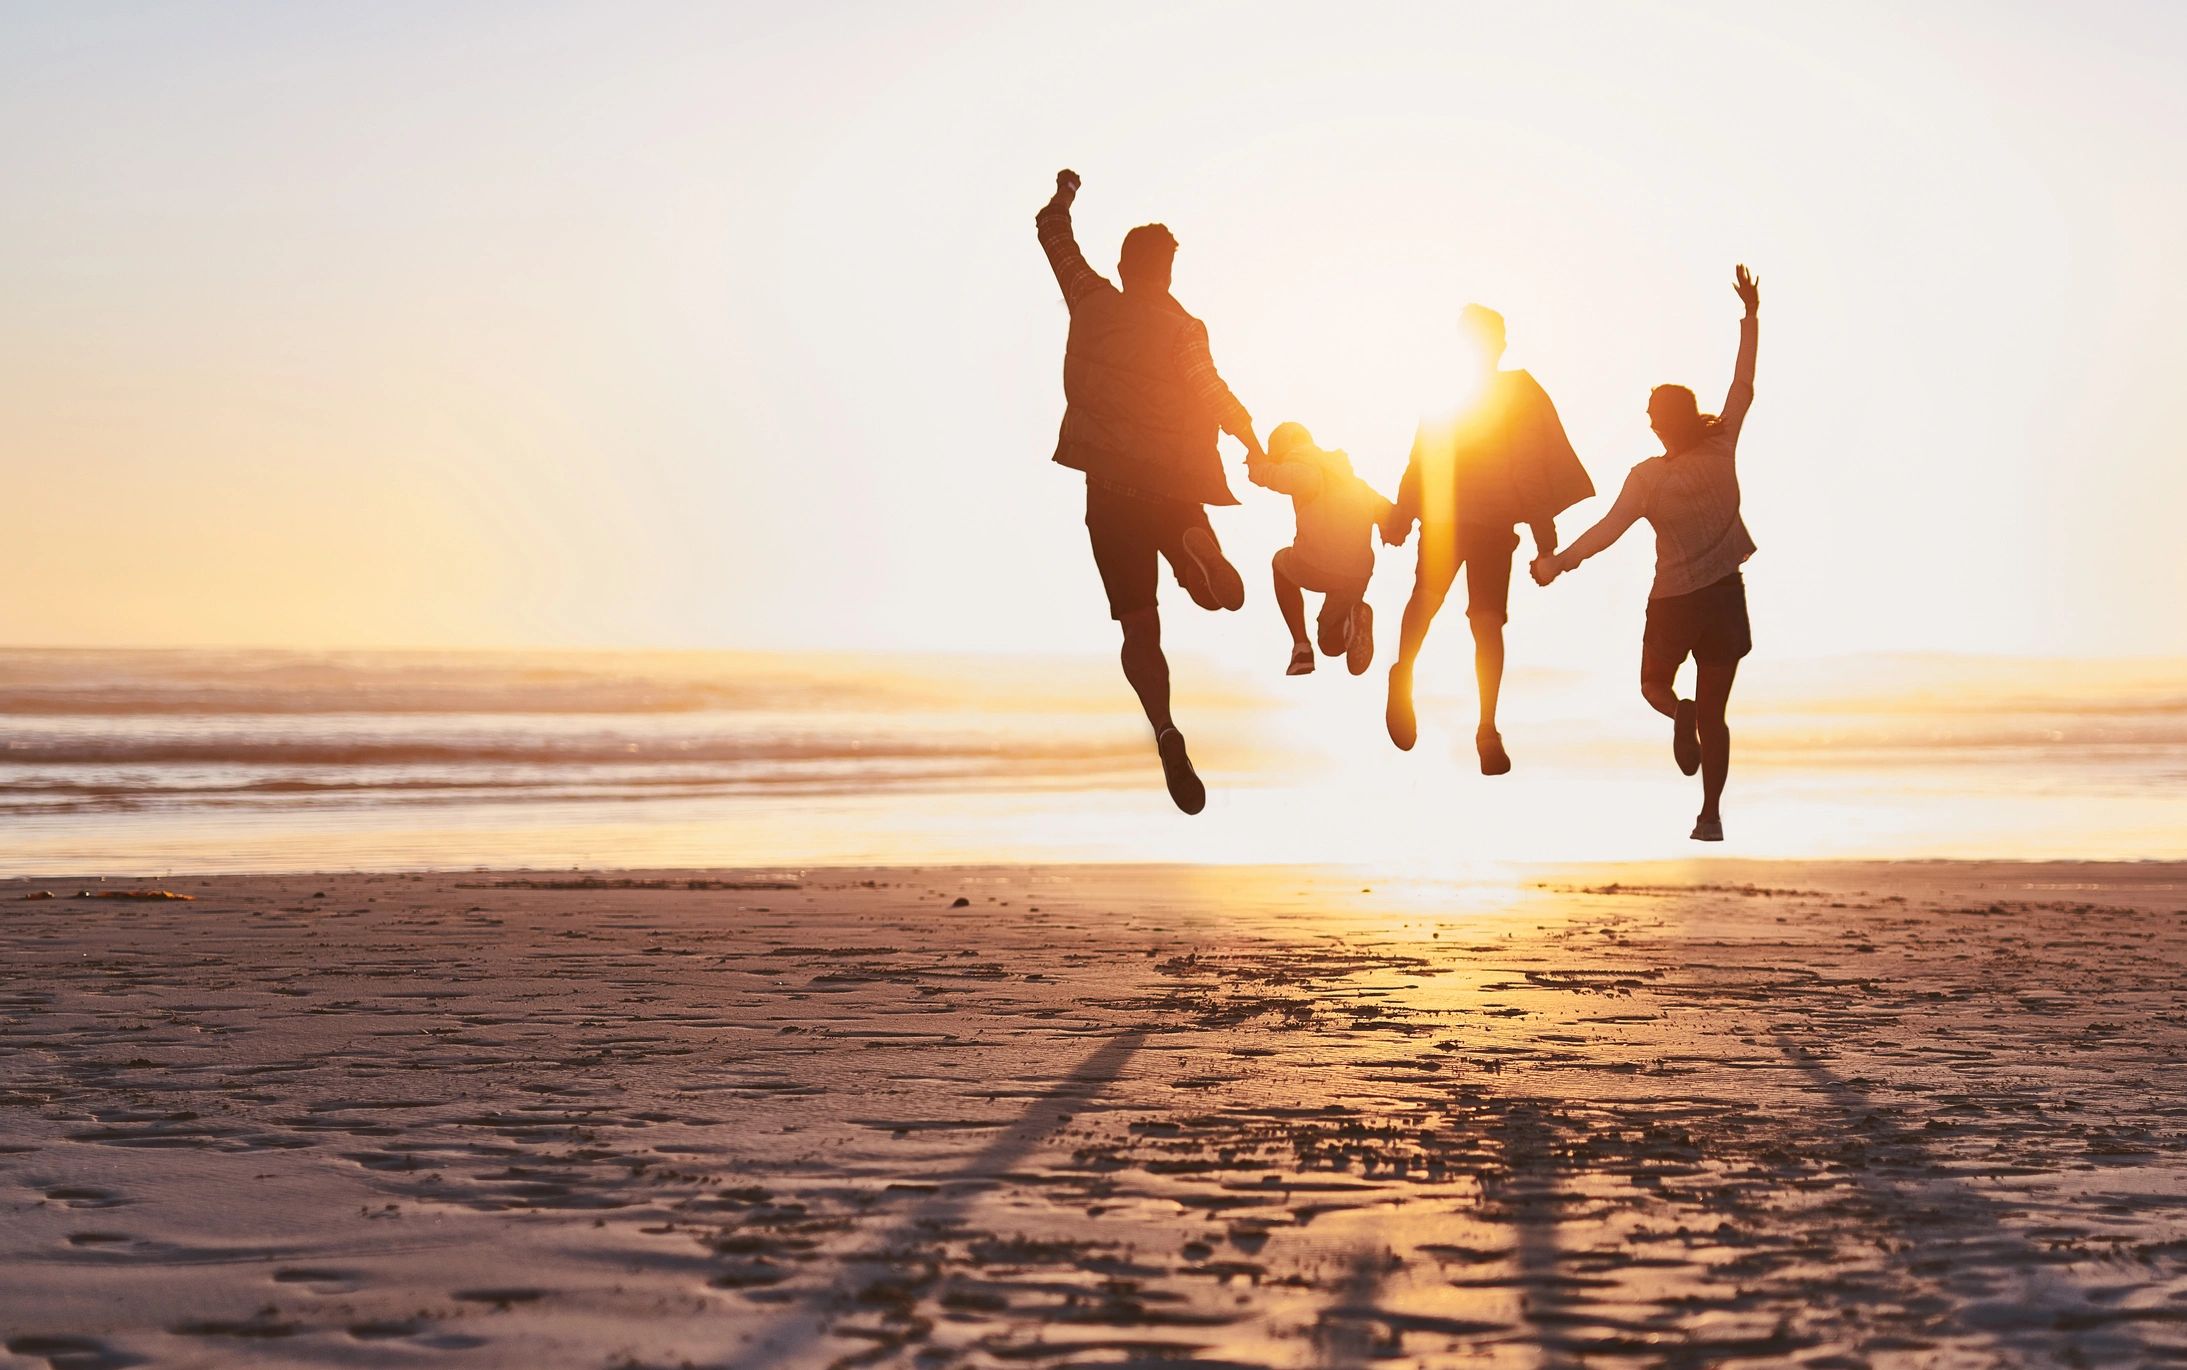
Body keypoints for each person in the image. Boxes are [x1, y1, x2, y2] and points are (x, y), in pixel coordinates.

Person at [1035, 169, 1265, 815]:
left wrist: (1065, 195)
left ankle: (1164, 729)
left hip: (1108, 490)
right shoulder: (1185, 328)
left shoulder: (1090, 298)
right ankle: (1195, 559)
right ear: (1167, 274)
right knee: (1213, 601)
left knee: (1140, 627)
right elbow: (1212, 391)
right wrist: (1251, 440)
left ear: (1122, 265)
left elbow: (1051, 235)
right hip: (1171, 486)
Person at [1533, 265, 1762, 842]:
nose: (1647, 417)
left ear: (1661, 423)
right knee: (1717, 715)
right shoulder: (1722, 444)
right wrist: (1751, 317)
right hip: (1724, 598)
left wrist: (1558, 563)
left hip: (1673, 604)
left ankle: (1675, 714)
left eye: (1651, 411)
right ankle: (1710, 816)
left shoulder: (1647, 479)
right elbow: (1743, 386)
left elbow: (1607, 530)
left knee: (1655, 687)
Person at [1381, 305, 1593, 773]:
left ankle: (1412, 678)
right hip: (1475, 523)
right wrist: (1544, 536)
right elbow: (1528, 468)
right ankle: (1484, 725)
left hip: (1469, 523)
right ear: (1496, 343)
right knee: (1483, 622)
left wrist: (1402, 514)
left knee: (1440, 605)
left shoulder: (1450, 391)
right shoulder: (1510, 392)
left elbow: (1420, 459)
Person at [1248, 422, 1392, 677]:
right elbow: (1387, 511)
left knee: (1279, 564)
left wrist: (1258, 469)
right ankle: (1352, 620)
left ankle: (1301, 647)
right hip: (1357, 573)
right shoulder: (1351, 478)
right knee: (1330, 644)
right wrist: (1395, 528)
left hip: (1317, 563)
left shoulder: (1301, 462)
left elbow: (1284, 477)